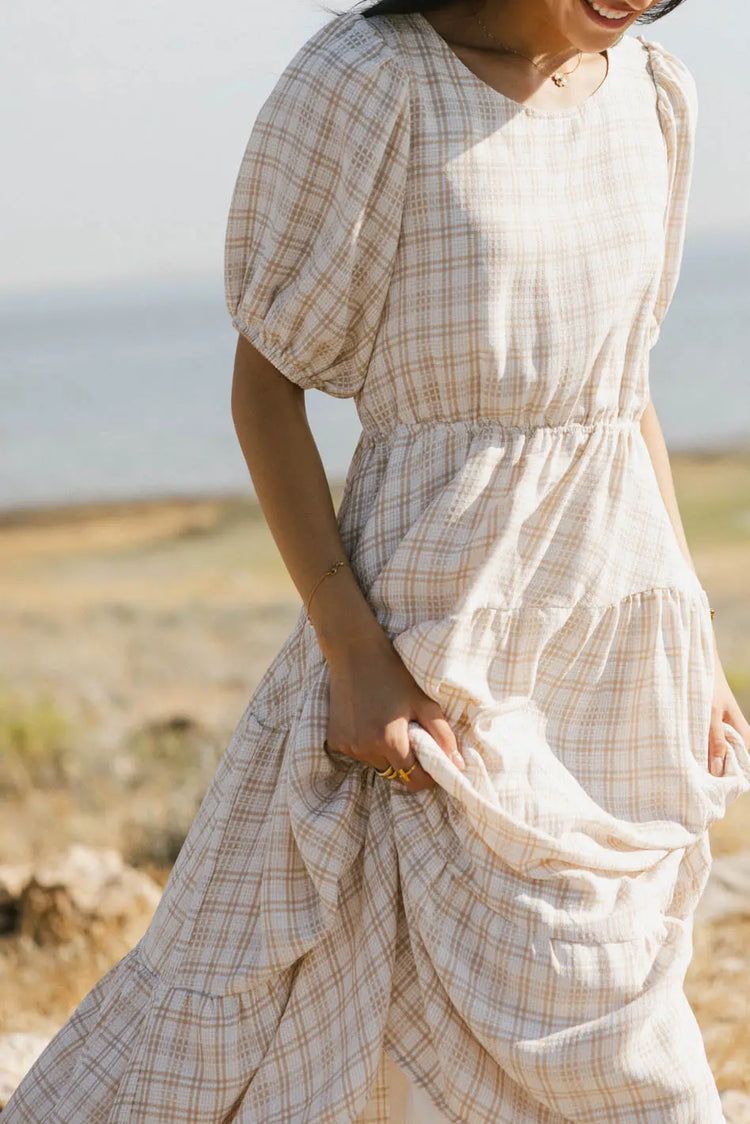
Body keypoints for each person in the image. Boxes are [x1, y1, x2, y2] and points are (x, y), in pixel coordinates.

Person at [5, 0, 750, 1119]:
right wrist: (352, 649)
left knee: (606, 1021)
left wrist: (690, 630)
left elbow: (620, 390)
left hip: (608, 649)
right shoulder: (369, 79)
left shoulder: (656, 92)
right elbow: (267, 390)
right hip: (435, 638)